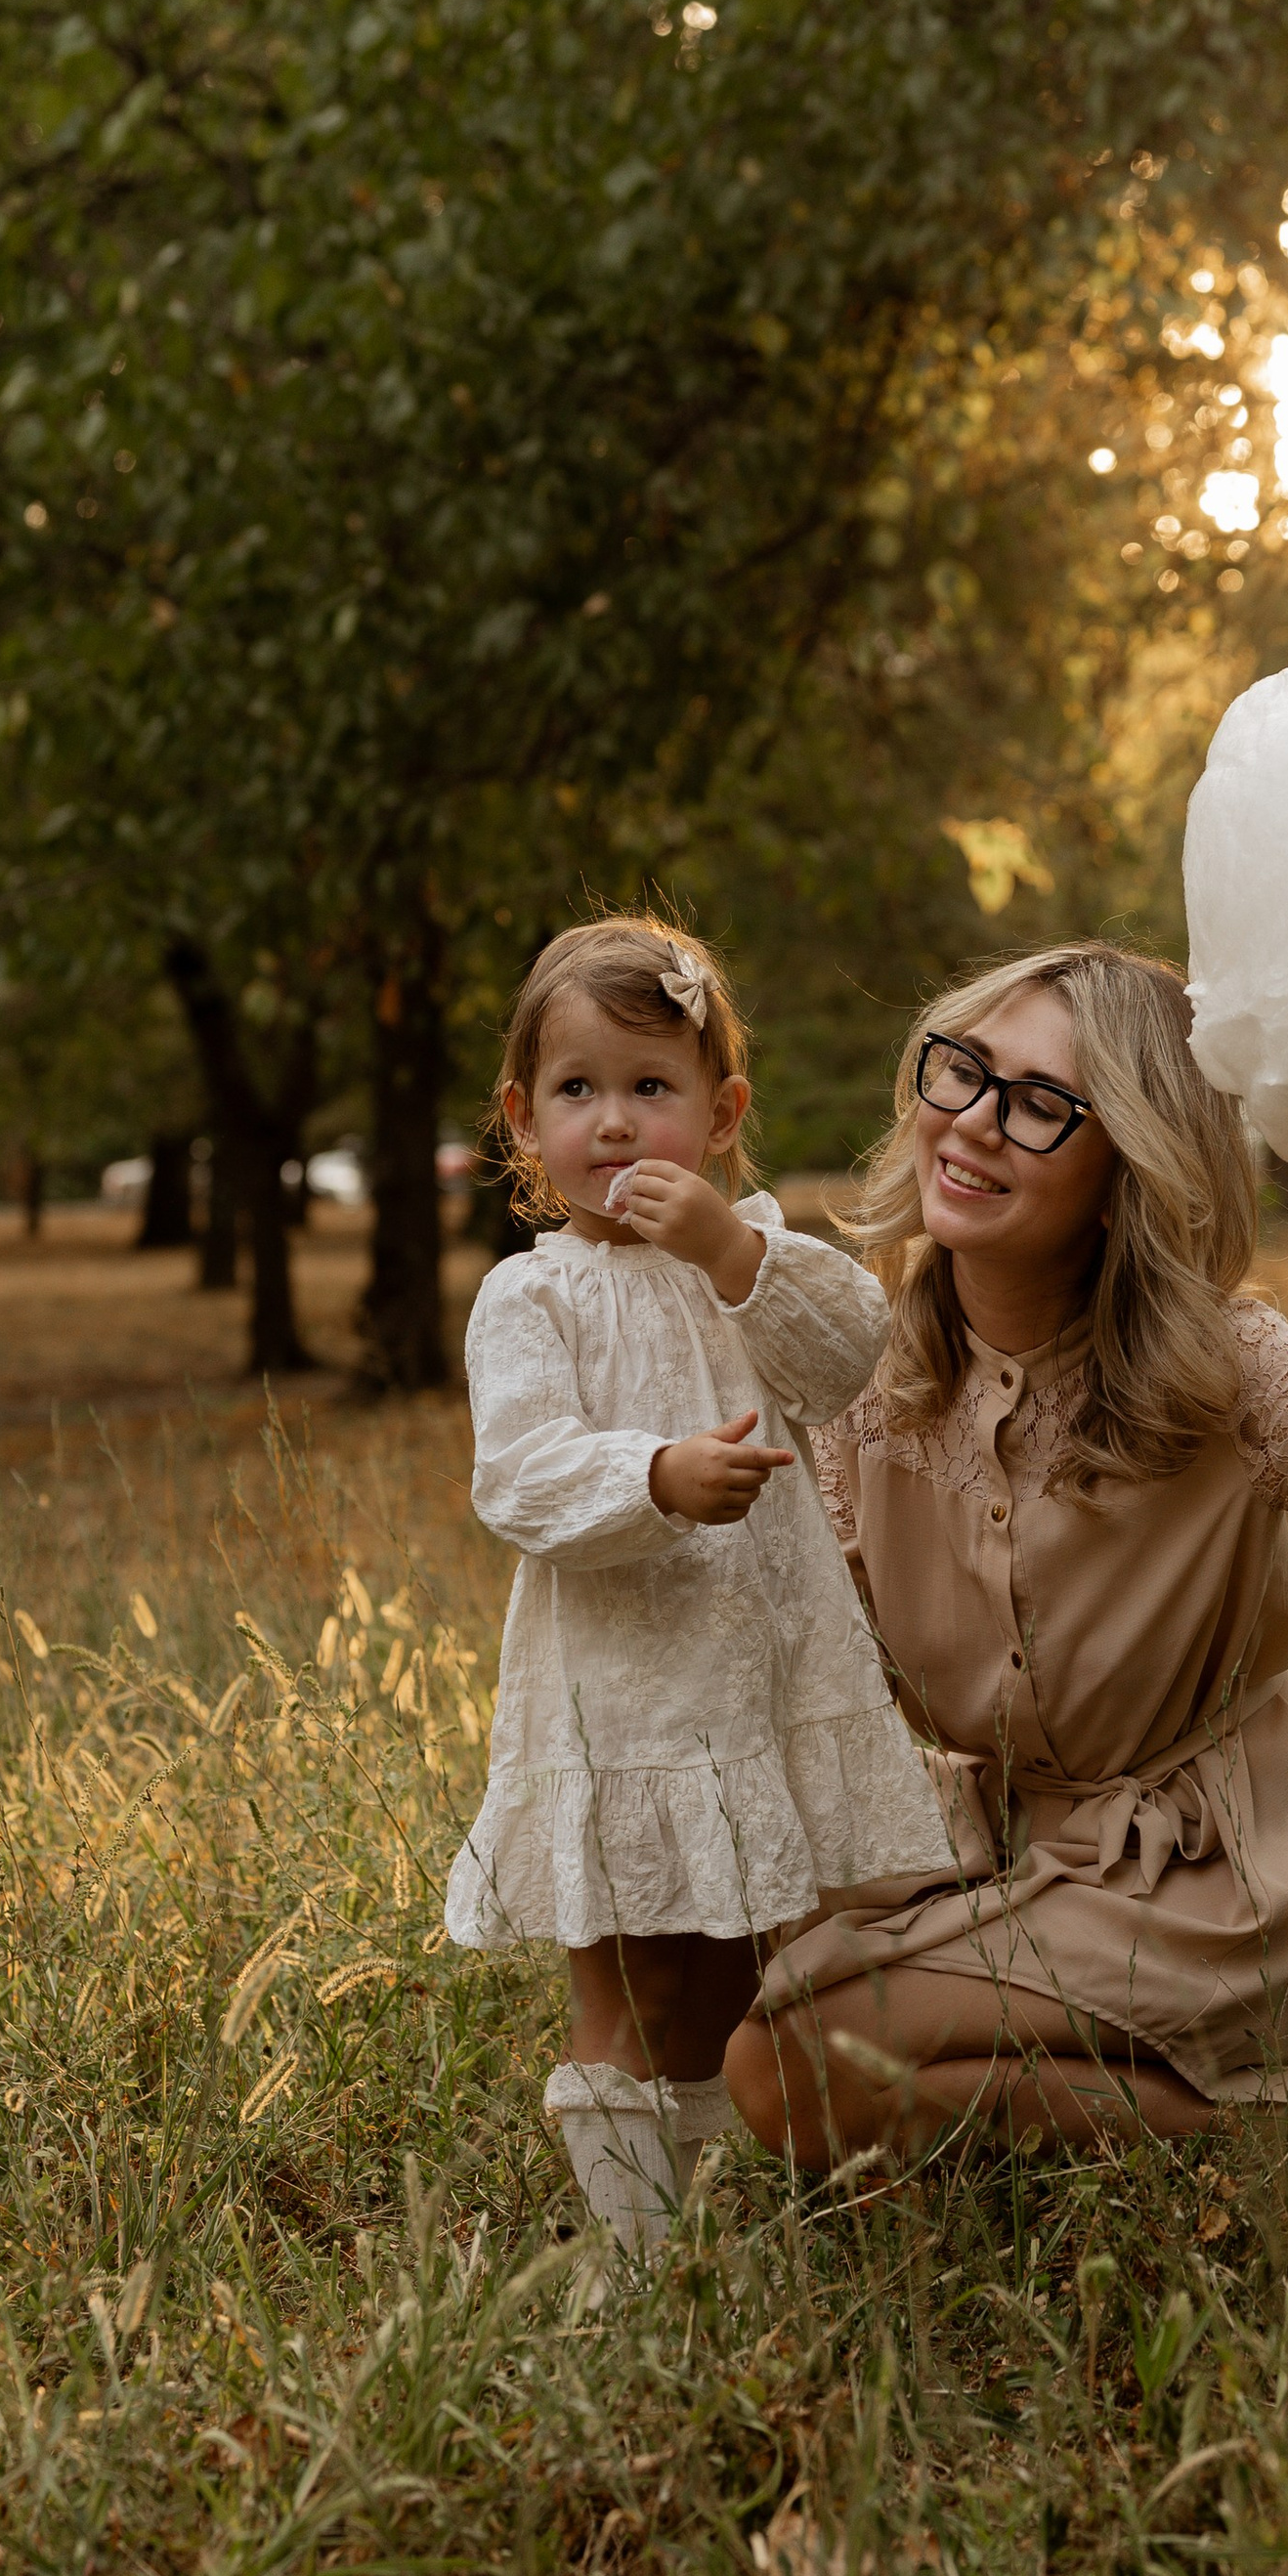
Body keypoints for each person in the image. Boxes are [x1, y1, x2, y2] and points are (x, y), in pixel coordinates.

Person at [723, 941, 1288, 2165]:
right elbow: (797, 1649)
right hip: (995, 1853)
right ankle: (1147, 2093)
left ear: (1125, 1168)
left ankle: (1287, 2119)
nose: (977, 1124)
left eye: (1043, 1103)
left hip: (1217, 1873)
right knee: (752, 1995)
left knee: (790, 2066)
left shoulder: (1228, 1368)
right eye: (964, 1073)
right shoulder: (863, 1375)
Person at [447, 917, 950, 2250]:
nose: (614, 1125)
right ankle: (634, 2252)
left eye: (652, 1089)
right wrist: (655, 1477)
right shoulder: (529, 1304)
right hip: (617, 1703)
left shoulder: (754, 1257)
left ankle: (765, 2211)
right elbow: (522, 1477)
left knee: (766, 1964)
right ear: (523, 1118)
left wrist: (731, 1251)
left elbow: (855, 1353)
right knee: (625, 1988)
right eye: (577, 1092)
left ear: (722, 1117)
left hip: (769, 1682)